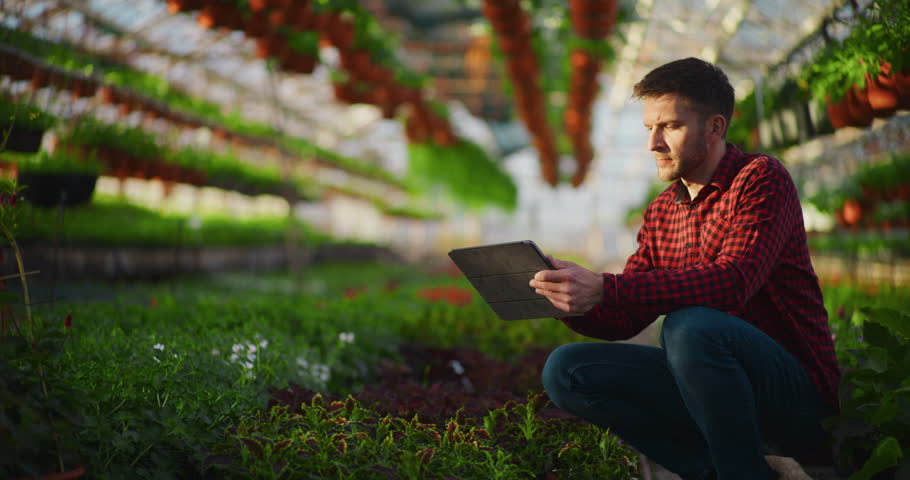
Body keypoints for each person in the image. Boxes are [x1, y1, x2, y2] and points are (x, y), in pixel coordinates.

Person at [530, 57, 840, 480]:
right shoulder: (661, 212)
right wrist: (566, 295)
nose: (653, 143)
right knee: (567, 370)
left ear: (714, 128)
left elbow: (733, 281)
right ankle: (720, 469)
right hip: (710, 393)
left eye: (670, 127)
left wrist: (606, 287)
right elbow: (624, 317)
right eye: (648, 128)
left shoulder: (760, 179)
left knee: (690, 326)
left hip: (794, 399)